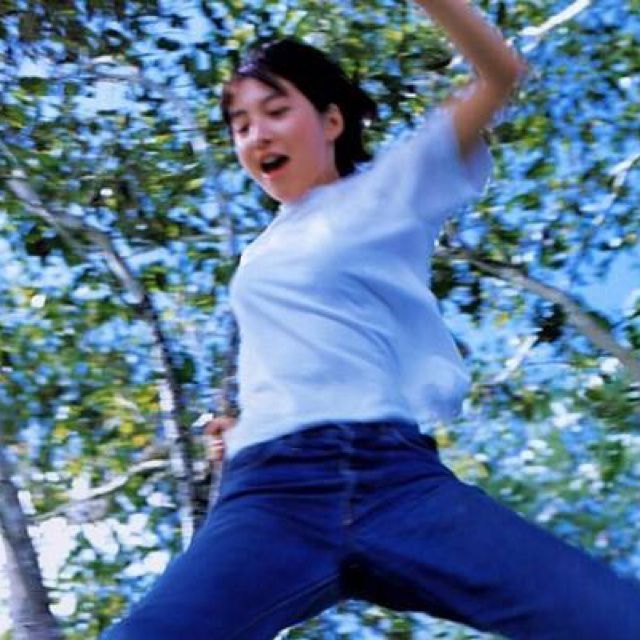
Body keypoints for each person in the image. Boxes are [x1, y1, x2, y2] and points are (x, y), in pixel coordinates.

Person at [103, 1, 640, 638]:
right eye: (240, 125)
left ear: (331, 120)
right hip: (271, 495)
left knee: (613, 616)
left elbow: (499, 73)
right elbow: (311, 354)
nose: (257, 135)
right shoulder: (260, 255)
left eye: (276, 111)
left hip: (396, 483)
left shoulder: (391, 187)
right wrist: (243, 429)